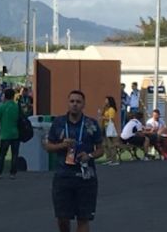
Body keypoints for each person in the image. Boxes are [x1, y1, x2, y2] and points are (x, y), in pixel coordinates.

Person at [45, 90, 104, 232]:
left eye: (78, 102)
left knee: (83, 218)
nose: (75, 105)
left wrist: (89, 156)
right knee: (62, 218)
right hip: (63, 176)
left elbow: (101, 149)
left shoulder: (92, 124)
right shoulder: (58, 123)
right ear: (68, 103)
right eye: (72, 101)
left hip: (85, 178)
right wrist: (62, 145)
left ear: (83, 104)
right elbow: (48, 146)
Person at [0, 88, 20, 179]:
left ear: (5, 96)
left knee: (2, 154)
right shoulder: (16, 106)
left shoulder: (2, 106)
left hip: (5, 133)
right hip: (15, 133)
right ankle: (13, 173)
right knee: (15, 154)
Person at [99, 97, 120, 166]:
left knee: (111, 144)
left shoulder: (111, 109)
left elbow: (111, 119)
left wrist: (103, 118)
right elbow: (102, 114)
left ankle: (114, 160)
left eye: (106, 100)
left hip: (109, 126)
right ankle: (108, 158)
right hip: (104, 126)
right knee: (105, 144)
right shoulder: (106, 109)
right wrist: (103, 108)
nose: (105, 101)